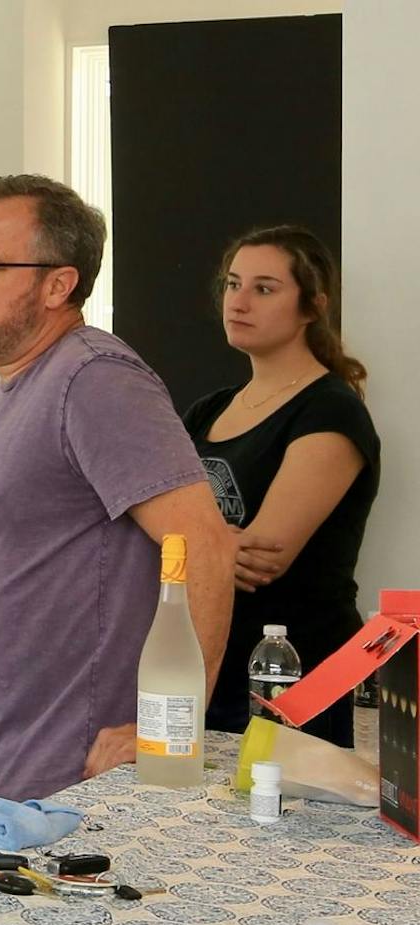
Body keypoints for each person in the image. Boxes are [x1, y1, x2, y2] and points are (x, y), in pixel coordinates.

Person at [0, 174, 234, 812]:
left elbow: (205, 546)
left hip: (81, 787)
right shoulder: (11, 394)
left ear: (58, 284)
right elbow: (16, 583)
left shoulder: (95, 380)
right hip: (13, 771)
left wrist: (170, 732)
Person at [184, 225, 377, 746]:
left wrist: (185, 545)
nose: (240, 301)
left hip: (299, 673)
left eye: (264, 288)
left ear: (312, 307)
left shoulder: (330, 409)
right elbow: (150, 533)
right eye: (232, 284)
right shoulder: (209, 410)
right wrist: (204, 545)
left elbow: (264, 558)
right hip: (214, 664)